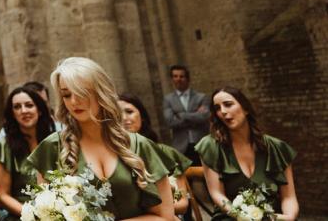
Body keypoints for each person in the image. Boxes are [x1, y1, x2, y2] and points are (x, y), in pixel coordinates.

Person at [25, 57, 173, 221]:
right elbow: (45, 216)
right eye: (66, 95)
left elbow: (166, 216)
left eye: (82, 92)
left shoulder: (140, 145)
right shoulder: (52, 147)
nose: (74, 101)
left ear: (101, 92)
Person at [195, 87, 298, 221]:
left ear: (246, 109)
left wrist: (288, 217)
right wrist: (244, 217)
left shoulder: (277, 148)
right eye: (217, 108)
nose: (223, 111)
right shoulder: (210, 146)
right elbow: (217, 194)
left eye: (228, 104)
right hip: (231, 217)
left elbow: (289, 197)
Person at [118, 93, 190, 216]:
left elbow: (183, 204)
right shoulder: (112, 158)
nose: (124, 118)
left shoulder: (167, 153)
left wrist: (158, 209)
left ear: (142, 116)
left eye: (129, 112)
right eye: (117, 114)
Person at [0, 86, 53, 218]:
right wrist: (33, 216)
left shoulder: (54, 142)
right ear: (12, 114)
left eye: (29, 105)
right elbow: (3, 196)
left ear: (40, 110)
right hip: (22, 215)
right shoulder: (3, 147)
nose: (24, 111)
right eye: (17, 107)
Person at [161, 66, 210, 162]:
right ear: (172, 79)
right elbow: (170, 122)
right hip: (181, 147)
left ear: (188, 78)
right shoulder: (168, 100)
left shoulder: (201, 97)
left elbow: (204, 117)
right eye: (175, 76)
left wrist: (181, 115)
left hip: (202, 144)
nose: (178, 79)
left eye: (181, 76)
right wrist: (195, 115)